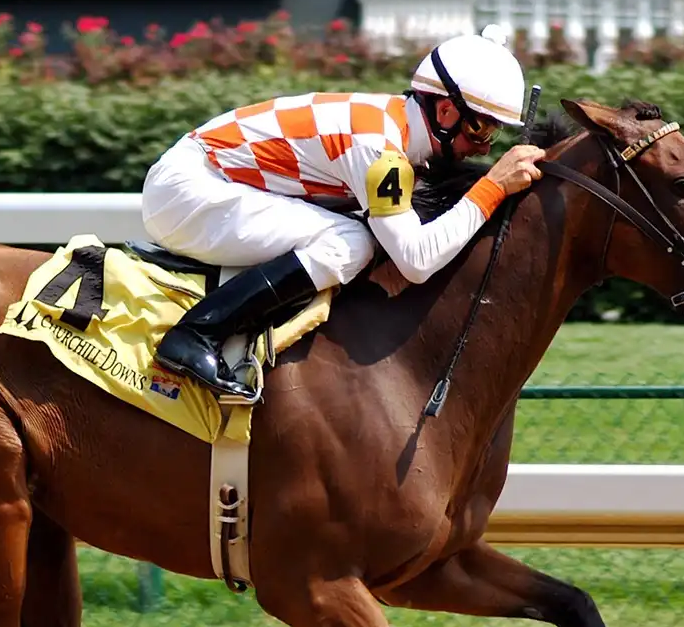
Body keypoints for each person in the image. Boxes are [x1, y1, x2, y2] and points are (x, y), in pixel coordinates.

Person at [140, 25, 547, 399]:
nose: (484, 147)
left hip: (204, 182)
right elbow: (417, 261)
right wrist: (493, 187)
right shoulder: (379, 151)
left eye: (493, 132)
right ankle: (197, 334)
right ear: (445, 112)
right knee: (352, 242)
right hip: (186, 192)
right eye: (480, 128)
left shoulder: (394, 132)